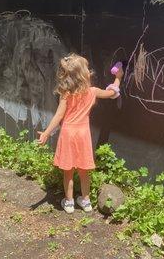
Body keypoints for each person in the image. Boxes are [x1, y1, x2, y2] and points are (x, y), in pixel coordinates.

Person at [37, 53, 123, 213]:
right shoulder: (93, 91)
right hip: (83, 135)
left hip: (68, 134)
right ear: (84, 74)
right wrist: (118, 77)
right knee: (84, 171)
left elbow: (59, 116)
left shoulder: (66, 94)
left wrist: (47, 133)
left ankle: (69, 203)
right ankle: (86, 201)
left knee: (68, 172)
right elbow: (113, 93)